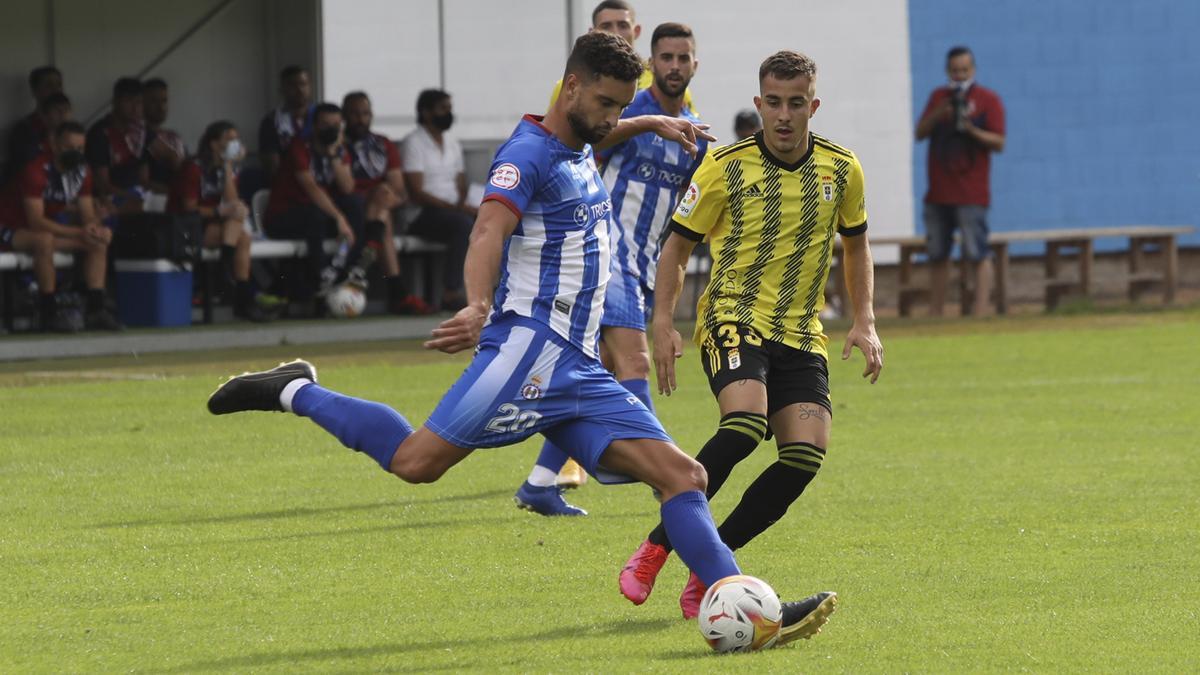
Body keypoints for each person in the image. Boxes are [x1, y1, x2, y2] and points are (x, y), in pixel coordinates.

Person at [206, 32, 836, 644]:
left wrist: (646, 124)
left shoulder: (581, 140)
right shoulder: (526, 155)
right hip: (527, 352)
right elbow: (487, 231)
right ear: (570, 89)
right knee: (415, 463)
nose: (613, 115)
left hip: (579, 368)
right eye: (607, 103)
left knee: (683, 477)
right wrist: (478, 303)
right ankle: (298, 390)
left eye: (623, 104)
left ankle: (755, 612)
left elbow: (603, 131)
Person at [617, 50, 883, 620]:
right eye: (773, 104)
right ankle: (655, 548)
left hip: (801, 332)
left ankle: (710, 564)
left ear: (813, 106)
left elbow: (857, 243)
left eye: (795, 105)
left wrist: (864, 320)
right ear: (759, 103)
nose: (784, 116)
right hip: (732, 317)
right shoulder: (724, 166)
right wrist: (662, 324)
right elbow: (678, 245)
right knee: (744, 424)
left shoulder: (842, 169)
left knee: (805, 459)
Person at [514, 22, 707, 516]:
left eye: (683, 58)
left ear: (694, 65)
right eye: (665, 57)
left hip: (642, 265)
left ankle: (539, 483)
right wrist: (647, 123)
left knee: (590, 371)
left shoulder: (693, 130)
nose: (674, 66)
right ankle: (662, 470)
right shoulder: (626, 111)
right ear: (651, 62)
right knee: (635, 363)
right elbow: (582, 142)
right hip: (607, 253)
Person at [0, 121, 122, 331]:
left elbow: (87, 215)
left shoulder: (82, 173)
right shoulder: (36, 170)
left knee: (97, 242)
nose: (76, 153)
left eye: (80, 148)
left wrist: (96, 229)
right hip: (9, 228)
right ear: (55, 145)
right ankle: (49, 311)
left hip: (43, 230)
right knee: (44, 240)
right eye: (69, 148)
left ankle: (96, 309)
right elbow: (36, 222)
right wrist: (79, 232)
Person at [915, 45, 1005, 316]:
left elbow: (999, 142)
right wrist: (940, 111)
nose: (959, 75)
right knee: (938, 254)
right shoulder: (938, 97)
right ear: (947, 71)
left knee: (977, 251)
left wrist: (971, 129)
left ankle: (980, 312)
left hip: (971, 193)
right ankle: (936, 312)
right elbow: (919, 132)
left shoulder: (987, 100)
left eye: (964, 70)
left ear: (973, 70)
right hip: (939, 192)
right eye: (954, 71)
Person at [263, 102, 367, 312]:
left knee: (354, 203)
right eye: (326, 124)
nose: (332, 129)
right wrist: (339, 219)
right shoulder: (299, 148)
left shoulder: (339, 150)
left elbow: (347, 187)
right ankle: (320, 277)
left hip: (316, 217)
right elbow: (312, 190)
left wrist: (333, 155)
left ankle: (348, 267)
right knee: (316, 214)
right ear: (314, 126)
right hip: (283, 216)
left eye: (337, 124)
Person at [168, 120, 270, 322]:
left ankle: (227, 274)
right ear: (214, 144)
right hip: (185, 226)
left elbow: (231, 200)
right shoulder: (193, 168)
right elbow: (189, 208)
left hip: (215, 225)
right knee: (240, 233)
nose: (236, 143)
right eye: (229, 139)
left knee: (241, 231)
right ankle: (241, 297)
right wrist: (220, 210)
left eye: (237, 139)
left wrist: (228, 166)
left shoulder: (227, 168)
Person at [342, 91, 433, 315]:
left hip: (380, 205)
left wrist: (382, 195)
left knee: (383, 200)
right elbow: (344, 188)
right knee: (383, 219)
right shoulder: (338, 145)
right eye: (354, 114)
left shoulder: (382, 144)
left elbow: (398, 188)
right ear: (345, 116)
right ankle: (398, 291)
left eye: (365, 113)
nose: (360, 119)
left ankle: (371, 246)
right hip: (349, 209)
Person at [548, 1, 697, 115]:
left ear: (636, 31)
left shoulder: (664, 81)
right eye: (606, 26)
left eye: (623, 25)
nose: (616, 33)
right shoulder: (571, 83)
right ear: (592, 32)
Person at [400, 89, 473, 310]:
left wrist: (462, 203)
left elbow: (461, 182)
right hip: (422, 214)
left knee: (491, 219)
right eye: (443, 109)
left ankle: (490, 290)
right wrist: (454, 208)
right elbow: (416, 192)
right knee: (462, 225)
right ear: (426, 112)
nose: (449, 113)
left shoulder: (452, 142)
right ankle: (451, 293)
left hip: (451, 210)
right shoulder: (413, 142)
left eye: (450, 109)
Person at [85, 77, 147, 214]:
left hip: (138, 194)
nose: (135, 108)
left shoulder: (140, 132)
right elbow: (102, 184)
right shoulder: (100, 133)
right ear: (115, 102)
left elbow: (144, 178)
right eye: (129, 101)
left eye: (139, 102)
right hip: (110, 197)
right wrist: (133, 197)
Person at [4, 65, 67, 184]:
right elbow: (23, 172)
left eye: (58, 85)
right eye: (49, 85)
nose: (55, 90)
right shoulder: (23, 129)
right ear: (34, 90)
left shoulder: (70, 127)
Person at [259, 66, 316, 181]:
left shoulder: (321, 116)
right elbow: (272, 167)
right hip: (289, 182)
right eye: (293, 85)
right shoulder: (271, 121)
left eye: (304, 84)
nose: (300, 90)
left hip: (322, 180)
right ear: (282, 89)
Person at [142, 78, 187, 195]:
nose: (161, 107)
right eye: (154, 101)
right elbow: (142, 182)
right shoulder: (137, 137)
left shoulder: (174, 136)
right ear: (142, 103)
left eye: (164, 101)